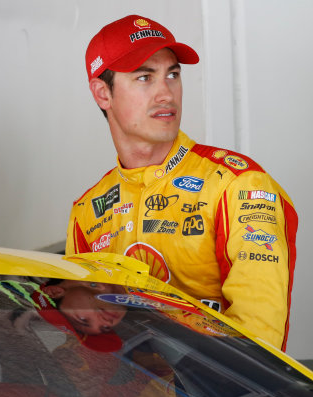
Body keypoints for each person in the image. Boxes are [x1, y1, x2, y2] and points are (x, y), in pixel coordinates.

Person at [65, 14, 298, 351]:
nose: (165, 93)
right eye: (145, 77)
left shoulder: (237, 184)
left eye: (172, 75)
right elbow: (84, 344)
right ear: (103, 93)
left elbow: (259, 344)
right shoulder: (86, 212)